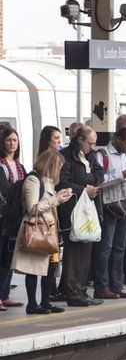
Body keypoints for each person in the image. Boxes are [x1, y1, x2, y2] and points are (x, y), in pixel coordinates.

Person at [11, 150, 74, 314]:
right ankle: (32, 303)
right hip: (36, 229)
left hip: (49, 230)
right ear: (51, 165)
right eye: (58, 167)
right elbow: (33, 208)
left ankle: (45, 301)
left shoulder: (48, 182)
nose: (59, 171)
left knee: (51, 267)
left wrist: (58, 198)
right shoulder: (33, 180)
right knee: (32, 268)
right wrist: (56, 200)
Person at [57, 125, 105, 306]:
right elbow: (63, 181)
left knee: (86, 250)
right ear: (79, 140)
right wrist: (84, 188)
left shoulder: (91, 156)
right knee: (73, 252)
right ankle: (71, 291)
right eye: (89, 143)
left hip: (89, 208)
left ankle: (82, 290)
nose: (91, 147)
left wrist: (90, 185)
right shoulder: (65, 156)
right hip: (71, 208)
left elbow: (99, 173)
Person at [93, 128, 126, 300]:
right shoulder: (102, 155)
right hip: (109, 204)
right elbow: (98, 179)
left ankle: (116, 285)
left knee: (120, 247)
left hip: (124, 201)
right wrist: (120, 175)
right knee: (106, 246)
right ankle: (102, 286)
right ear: (117, 139)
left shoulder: (123, 155)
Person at [0, 127, 27, 310]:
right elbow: (6, 189)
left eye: (15, 140)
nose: (12, 143)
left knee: (9, 255)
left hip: (15, 217)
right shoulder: (1, 165)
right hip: (3, 215)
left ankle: (4, 294)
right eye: (8, 140)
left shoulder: (20, 165)